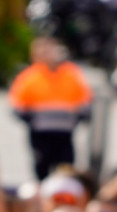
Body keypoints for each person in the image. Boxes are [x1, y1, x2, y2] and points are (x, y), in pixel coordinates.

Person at [9, 37, 92, 180]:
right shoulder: (29, 77)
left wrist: (77, 118)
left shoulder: (71, 74)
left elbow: (85, 100)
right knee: (42, 169)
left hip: (65, 134)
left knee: (67, 170)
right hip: (40, 135)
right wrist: (33, 120)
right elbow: (17, 106)